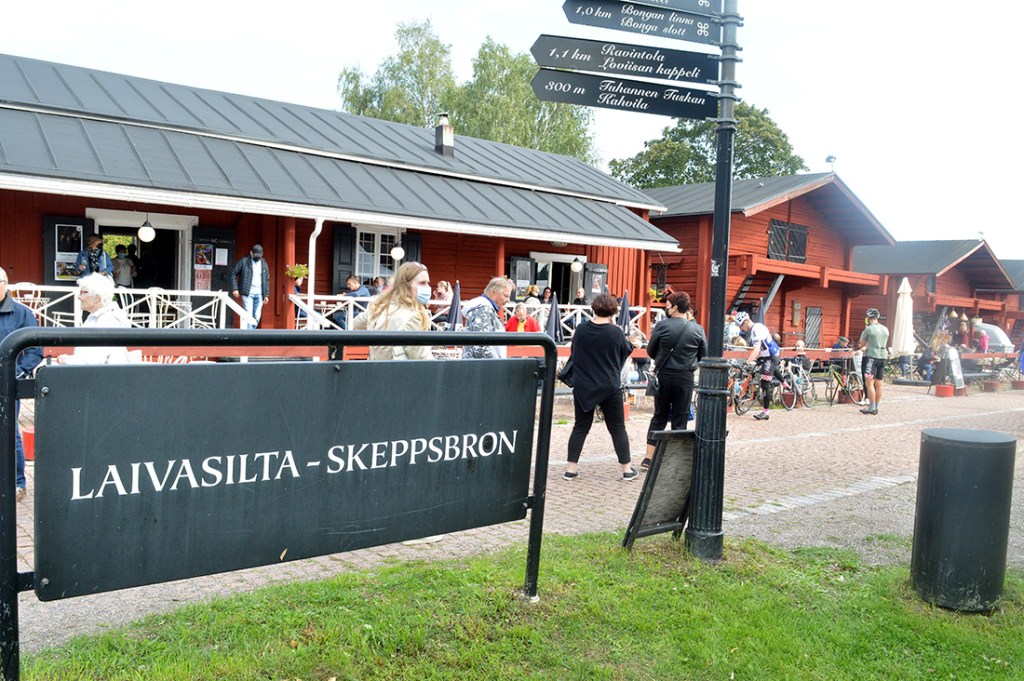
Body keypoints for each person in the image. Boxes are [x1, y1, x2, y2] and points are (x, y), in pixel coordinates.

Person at [563, 293, 638, 482]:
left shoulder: (581, 330)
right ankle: (627, 469)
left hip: (584, 386)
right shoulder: (615, 332)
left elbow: (574, 353)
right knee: (617, 428)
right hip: (609, 386)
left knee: (580, 427)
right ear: (613, 311)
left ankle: (571, 469)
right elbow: (624, 352)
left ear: (594, 308)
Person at [641, 291, 707, 470]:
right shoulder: (697, 329)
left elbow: (650, 350)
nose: (666, 309)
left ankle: (648, 458)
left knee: (659, 416)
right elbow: (703, 354)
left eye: (668, 306)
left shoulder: (662, 325)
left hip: (664, 375)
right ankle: (674, 460)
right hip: (685, 377)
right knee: (680, 418)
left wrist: (662, 358)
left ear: (675, 307)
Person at [0, 268, 43, 502]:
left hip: (6, 384)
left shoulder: (21, 313)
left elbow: (35, 350)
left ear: (5, 284)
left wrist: (16, 372)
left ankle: (18, 482)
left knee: (9, 431)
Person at [352, 262, 433, 360]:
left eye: (428, 283)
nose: (428, 287)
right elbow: (422, 359)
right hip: (399, 369)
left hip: (373, 366)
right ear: (406, 285)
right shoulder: (413, 317)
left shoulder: (377, 306)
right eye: (422, 283)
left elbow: (355, 324)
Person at [55, 274, 132, 365]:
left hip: (102, 373)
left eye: (82, 292)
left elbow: (94, 360)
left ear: (96, 298)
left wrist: (66, 360)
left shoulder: (106, 320)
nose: (78, 296)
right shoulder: (97, 316)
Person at [736, 311, 783, 421]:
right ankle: (784, 382)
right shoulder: (757, 327)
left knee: (765, 383)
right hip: (768, 355)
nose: (741, 329)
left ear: (746, 322)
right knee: (765, 375)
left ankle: (765, 412)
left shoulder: (756, 330)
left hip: (771, 356)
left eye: (741, 326)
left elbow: (756, 349)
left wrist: (747, 363)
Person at [461, 277, 513, 359]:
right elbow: (481, 346)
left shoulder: (483, 308)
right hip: (482, 365)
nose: (508, 300)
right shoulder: (482, 309)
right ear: (493, 292)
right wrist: (494, 364)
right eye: (506, 295)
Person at [230, 244, 270, 329]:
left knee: (257, 315)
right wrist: (235, 289)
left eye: (259, 256)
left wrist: (266, 294)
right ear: (251, 253)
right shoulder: (244, 261)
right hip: (247, 292)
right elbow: (233, 273)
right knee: (248, 314)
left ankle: (250, 332)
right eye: (256, 255)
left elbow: (266, 279)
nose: (257, 257)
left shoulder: (264, 264)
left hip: (260, 293)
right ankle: (250, 334)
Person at [858, 307, 890, 415]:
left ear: (868, 318)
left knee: (869, 382)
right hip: (883, 356)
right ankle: (876, 406)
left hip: (872, 357)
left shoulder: (869, 329)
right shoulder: (885, 329)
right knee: (879, 383)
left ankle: (871, 407)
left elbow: (861, 344)